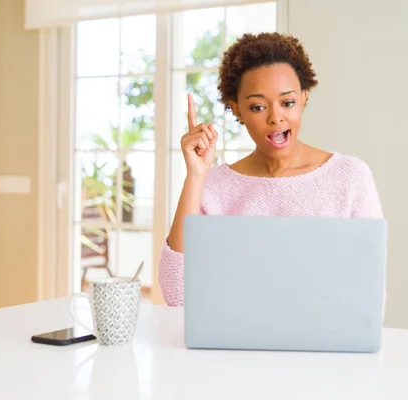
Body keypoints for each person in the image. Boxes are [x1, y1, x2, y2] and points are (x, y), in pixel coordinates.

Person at [158, 32, 383, 306]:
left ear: (304, 98)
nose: (276, 117)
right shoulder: (212, 187)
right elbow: (177, 294)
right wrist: (196, 175)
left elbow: (369, 293)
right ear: (237, 110)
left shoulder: (350, 178)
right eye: (258, 107)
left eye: (287, 103)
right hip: (233, 345)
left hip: (323, 345)